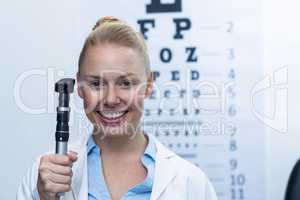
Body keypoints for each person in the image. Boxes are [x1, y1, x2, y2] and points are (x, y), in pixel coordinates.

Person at [17, 16, 218, 200]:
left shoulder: (191, 184)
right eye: (96, 84)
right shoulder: (44, 176)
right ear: (79, 86)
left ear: (148, 85)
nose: (111, 99)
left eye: (126, 83)